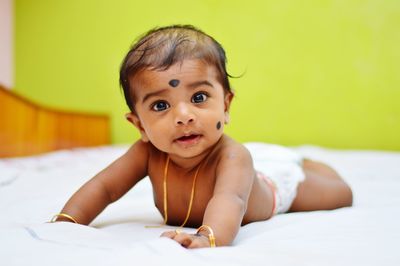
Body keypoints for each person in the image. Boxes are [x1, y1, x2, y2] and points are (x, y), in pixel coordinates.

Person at [51, 25, 353, 249]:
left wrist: (207, 236)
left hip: (273, 189)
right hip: (250, 172)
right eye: (160, 105)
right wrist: (68, 220)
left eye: (198, 97)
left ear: (225, 105)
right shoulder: (147, 152)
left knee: (340, 194)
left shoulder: (232, 157)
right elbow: (104, 187)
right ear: (140, 125)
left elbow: (230, 200)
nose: (183, 115)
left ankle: (305, 163)